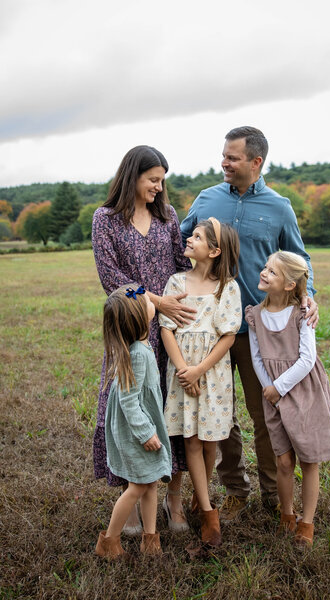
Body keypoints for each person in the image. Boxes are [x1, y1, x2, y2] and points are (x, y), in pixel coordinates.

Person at [180, 126, 319, 521]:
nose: (224, 162)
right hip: (209, 331)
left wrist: (308, 297)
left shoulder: (280, 207)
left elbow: (300, 259)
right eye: (223, 155)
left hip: (260, 332)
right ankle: (235, 490)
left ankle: (274, 495)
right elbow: (181, 244)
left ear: (256, 162)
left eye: (233, 157)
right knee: (218, 415)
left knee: (265, 416)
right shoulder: (207, 198)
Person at [92, 145, 195, 534]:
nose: (158, 186)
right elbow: (111, 278)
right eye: (153, 179)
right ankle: (132, 497)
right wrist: (157, 301)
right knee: (127, 405)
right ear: (132, 176)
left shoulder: (167, 216)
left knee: (171, 407)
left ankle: (174, 498)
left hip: (170, 329)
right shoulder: (105, 220)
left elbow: (184, 263)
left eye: (162, 180)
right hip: (132, 324)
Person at [245, 251, 330, 546]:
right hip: (272, 395)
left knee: (309, 459)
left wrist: (280, 386)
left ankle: (306, 522)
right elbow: (257, 357)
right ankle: (287, 513)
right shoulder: (255, 315)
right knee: (283, 460)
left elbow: (307, 358)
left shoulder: (301, 313)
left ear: (288, 285)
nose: (264, 272)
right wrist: (269, 389)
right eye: (266, 268)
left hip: (303, 391)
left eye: (272, 271)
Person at [160, 219, 242, 546]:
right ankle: (209, 512)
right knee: (192, 439)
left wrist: (200, 371)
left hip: (213, 374)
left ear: (214, 250)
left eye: (197, 237)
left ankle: (200, 493)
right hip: (182, 372)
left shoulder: (227, 287)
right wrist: (184, 370)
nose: (189, 239)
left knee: (210, 440)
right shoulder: (176, 282)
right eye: (191, 234)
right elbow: (167, 328)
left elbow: (228, 336)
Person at [95, 285, 172, 559]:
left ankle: (150, 540)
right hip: (138, 430)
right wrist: (146, 432)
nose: (151, 299)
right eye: (145, 300)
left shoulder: (140, 345)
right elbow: (129, 401)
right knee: (137, 487)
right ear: (140, 317)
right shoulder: (138, 353)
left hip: (143, 424)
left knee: (150, 482)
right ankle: (109, 541)